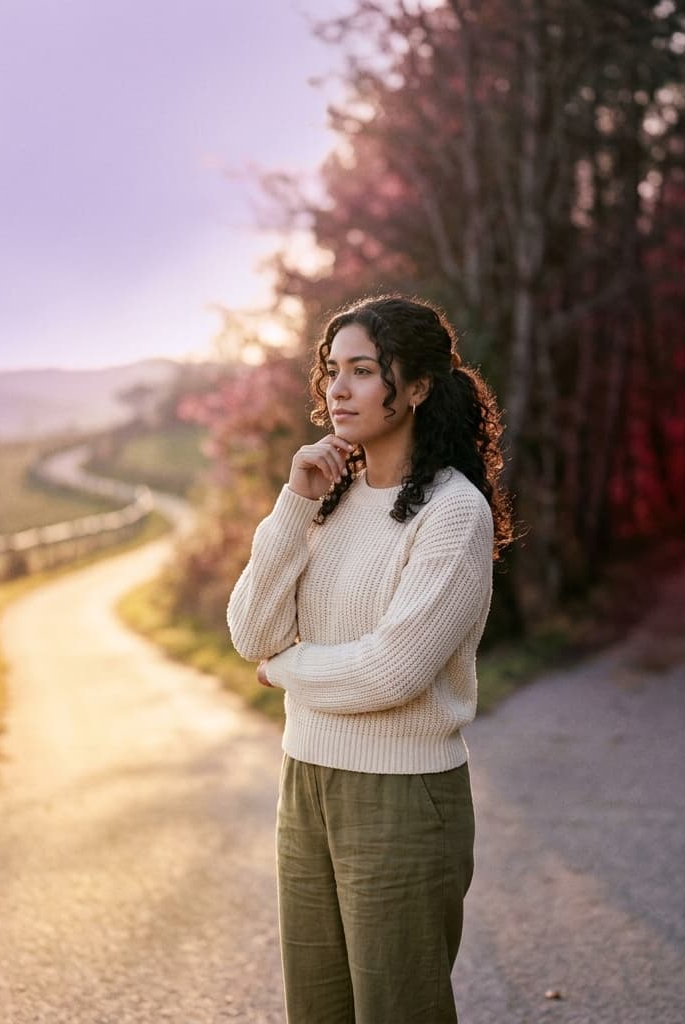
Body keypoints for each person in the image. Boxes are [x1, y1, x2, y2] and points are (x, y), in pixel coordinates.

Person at [227, 294, 513, 1024]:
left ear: (415, 387)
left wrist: (285, 672)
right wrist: (293, 501)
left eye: (363, 370)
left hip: (402, 797)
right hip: (307, 783)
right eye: (332, 372)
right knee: (317, 1010)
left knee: (398, 1010)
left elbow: (392, 670)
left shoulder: (454, 513)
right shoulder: (329, 497)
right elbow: (251, 632)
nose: (338, 389)